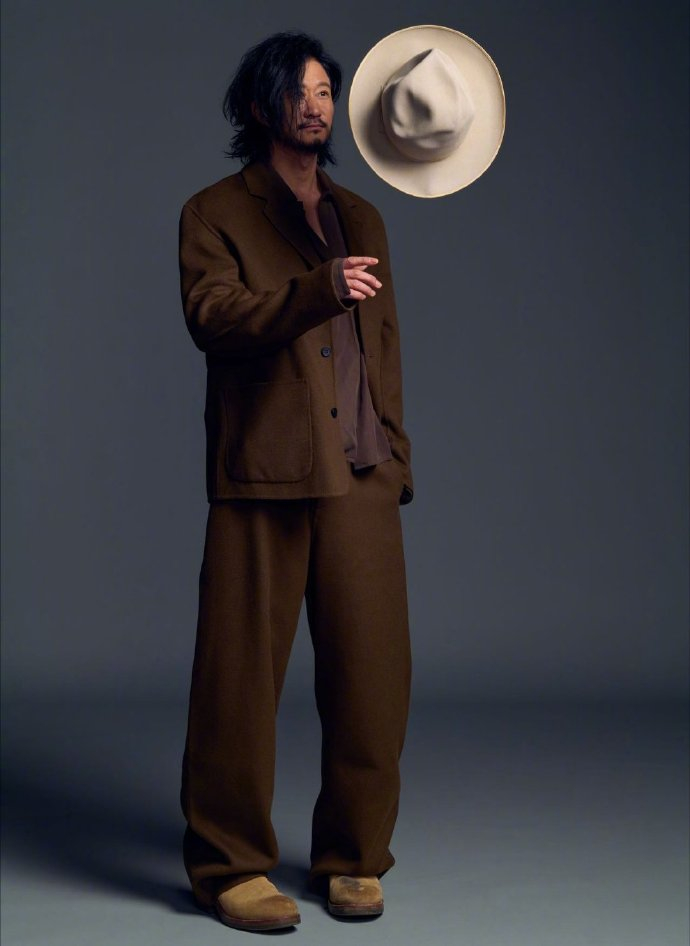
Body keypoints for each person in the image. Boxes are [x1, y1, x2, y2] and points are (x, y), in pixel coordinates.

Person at [178, 31, 413, 933]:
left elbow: (382, 343)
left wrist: (396, 454)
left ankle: (353, 856)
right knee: (237, 683)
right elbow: (215, 318)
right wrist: (315, 289)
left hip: (362, 473)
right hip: (264, 477)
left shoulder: (363, 215)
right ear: (257, 106)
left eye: (325, 92)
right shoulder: (214, 212)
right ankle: (228, 864)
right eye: (297, 92)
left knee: (373, 679)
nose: (315, 107)